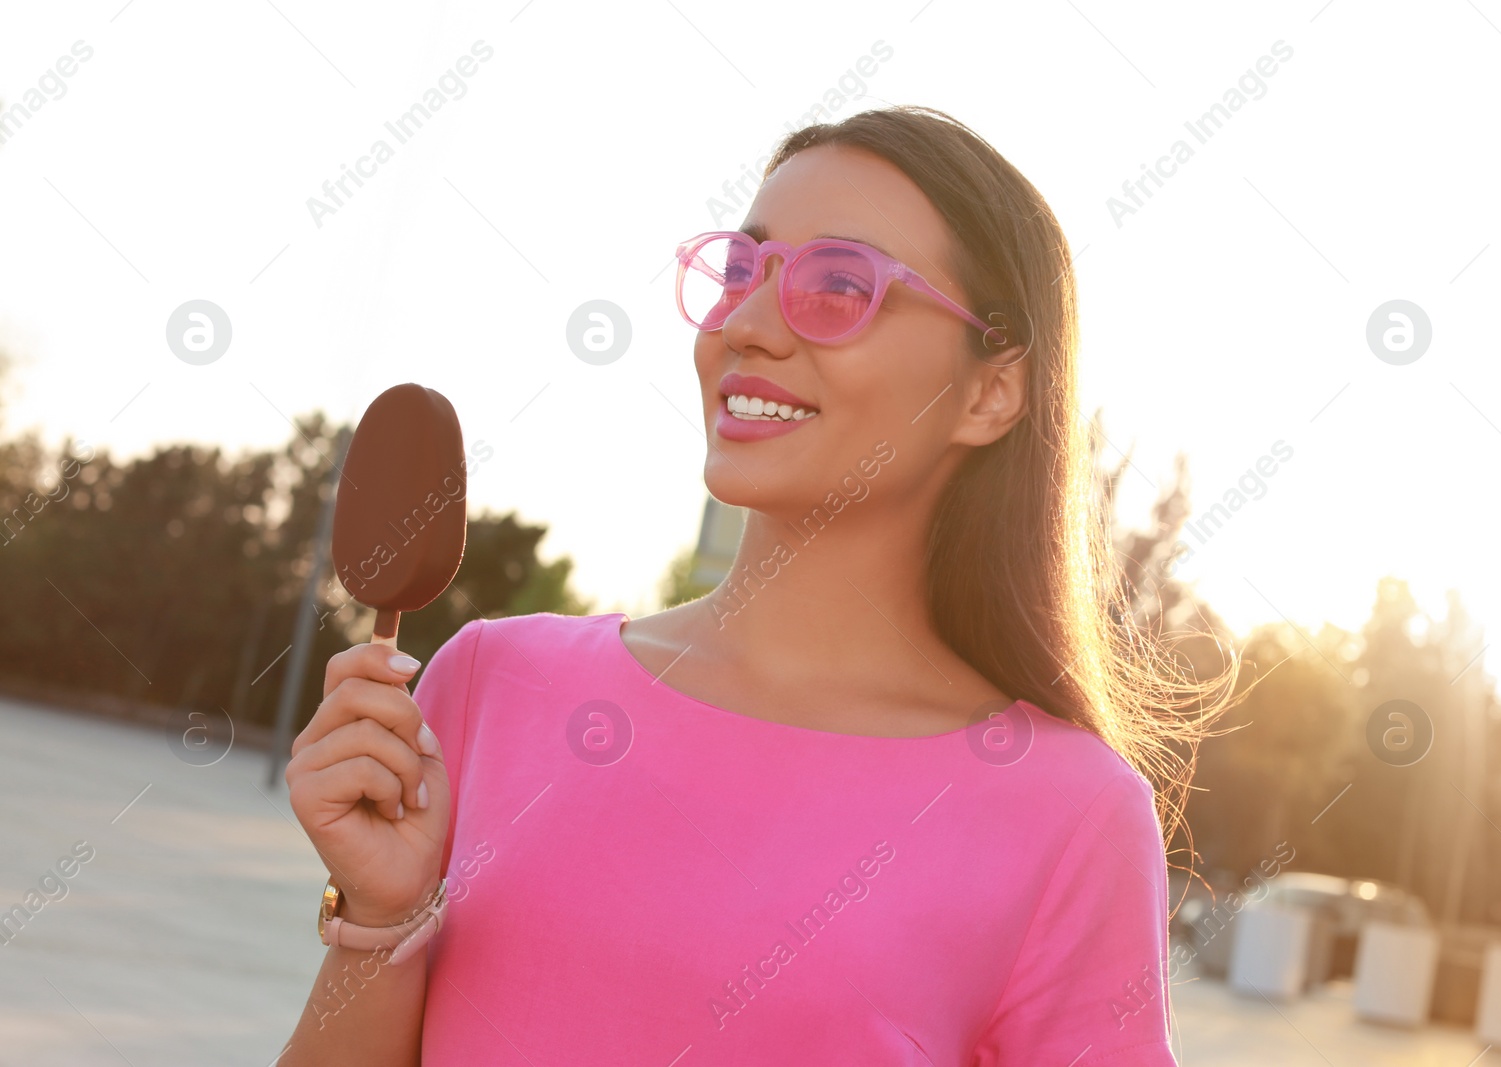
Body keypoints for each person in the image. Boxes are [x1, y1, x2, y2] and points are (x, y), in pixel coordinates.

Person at [280, 105, 1234, 1065]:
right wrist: (381, 914)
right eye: (744, 270)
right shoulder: (493, 684)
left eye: (840, 285)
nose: (747, 324)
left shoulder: (1067, 815)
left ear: (991, 392)